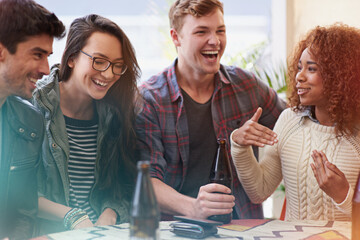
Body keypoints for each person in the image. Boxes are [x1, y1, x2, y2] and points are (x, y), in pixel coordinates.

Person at [136, 0, 285, 220]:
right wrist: (194, 207)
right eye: (201, 32)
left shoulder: (247, 86)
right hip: (177, 230)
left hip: (241, 226)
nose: (215, 41)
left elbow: (294, 125)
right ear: (176, 37)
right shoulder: (150, 99)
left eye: (220, 31)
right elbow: (148, 180)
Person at [231, 23, 360, 221]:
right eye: (299, 67)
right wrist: (239, 145)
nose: (299, 76)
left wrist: (343, 196)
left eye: (311, 69)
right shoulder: (289, 121)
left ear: (338, 75)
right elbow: (259, 191)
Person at [32, 14, 140, 234]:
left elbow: (127, 187)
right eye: (99, 61)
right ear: (71, 58)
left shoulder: (116, 115)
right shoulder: (35, 105)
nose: (108, 74)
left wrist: (112, 212)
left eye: (118, 66)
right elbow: (16, 191)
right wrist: (72, 216)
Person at [0, 0, 65, 239]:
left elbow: (21, 215)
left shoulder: (30, 121)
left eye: (47, 56)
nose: (46, 69)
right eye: (37, 54)